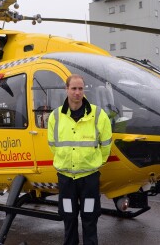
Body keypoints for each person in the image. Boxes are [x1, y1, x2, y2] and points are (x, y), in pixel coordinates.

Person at [48, 74, 112, 245]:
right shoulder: (55, 116)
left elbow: (106, 146)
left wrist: (95, 163)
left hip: (89, 179)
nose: (77, 92)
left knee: (90, 219)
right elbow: (53, 145)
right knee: (68, 218)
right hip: (66, 179)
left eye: (80, 89)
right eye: (74, 88)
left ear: (84, 90)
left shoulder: (99, 115)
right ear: (66, 89)